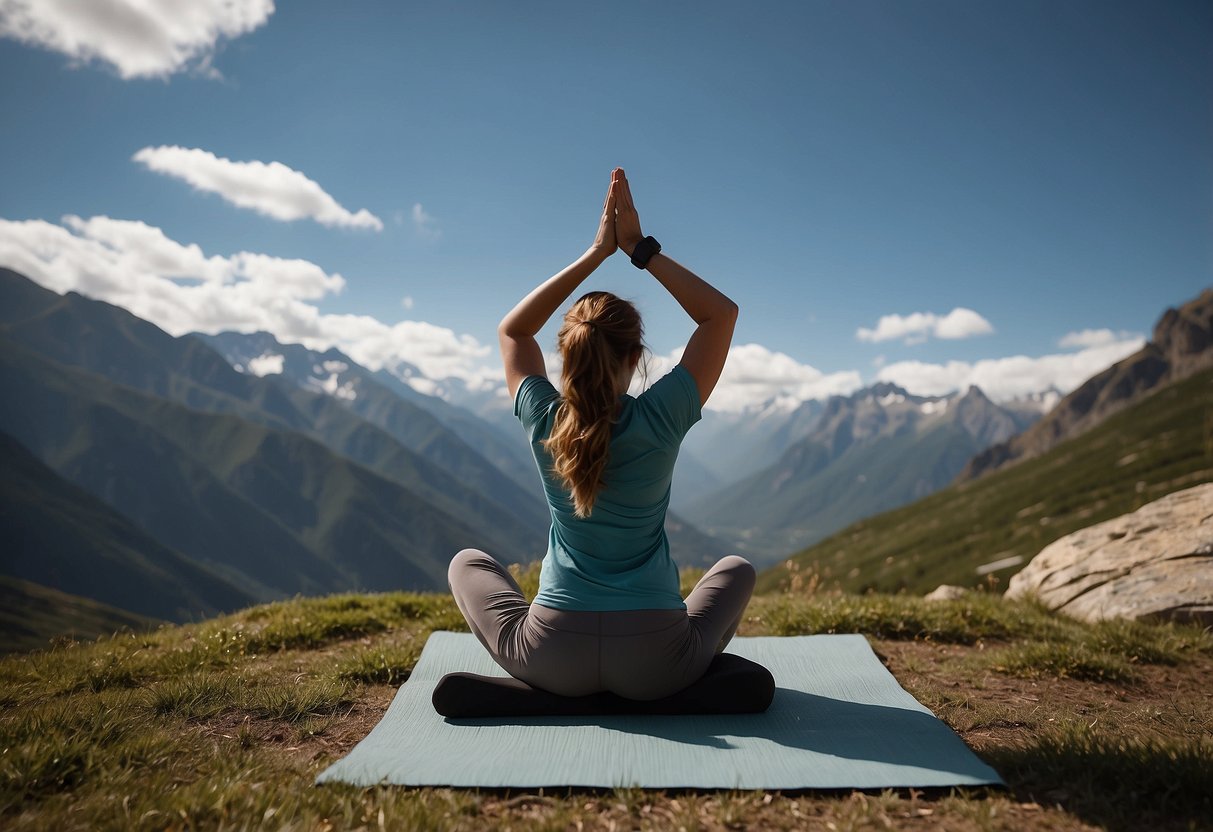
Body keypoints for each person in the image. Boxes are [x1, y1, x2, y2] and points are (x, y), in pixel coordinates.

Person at [448, 168, 755, 700]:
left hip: (553, 654)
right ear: (636, 358)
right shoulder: (663, 415)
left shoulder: (544, 417)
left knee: (466, 564)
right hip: (656, 662)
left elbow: (513, 331)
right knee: (736, 569)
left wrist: (596, 253)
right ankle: (687, 691)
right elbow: (720, 317)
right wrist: (639, 250)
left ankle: (534, 693)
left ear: (566, 355)